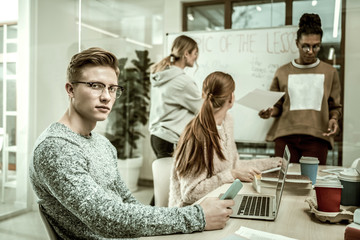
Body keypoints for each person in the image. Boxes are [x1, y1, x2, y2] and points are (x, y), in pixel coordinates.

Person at [29, 47, 234, 240]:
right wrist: (197, 216)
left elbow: (127, 202)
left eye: (112, 88)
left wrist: (179, 223)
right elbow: (106, 218)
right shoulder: (56, 147)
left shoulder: (102, 144)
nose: (106, 97)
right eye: (95, 85)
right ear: (70, 89)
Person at [169, 71, 282, 207]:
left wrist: (272, 164)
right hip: (191, 213)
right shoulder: (197, 135)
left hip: (216, 202)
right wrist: (231, 175)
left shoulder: (227, 121)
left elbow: (234, 166)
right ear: (231, 98)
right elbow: (190, 193)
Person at [258, 13, 342, 165]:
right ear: (297, 43)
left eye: (315, 46)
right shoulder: (282, 72)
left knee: (311, 184)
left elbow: (334, 107)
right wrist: (269, 112)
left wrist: (333, 119)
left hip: (317, 138)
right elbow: (276, 106)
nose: (310, 51)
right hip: (285, 138)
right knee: (285, 183)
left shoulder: (330, 72)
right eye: (305, 46)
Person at [149, 35, 202, 159]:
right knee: (173, 178)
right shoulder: (183, 82)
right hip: (170, 138)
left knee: (163, 177)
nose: (196, 57)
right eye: (195, 53)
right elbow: (201, 110)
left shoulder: (161, 74)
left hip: (157, 137)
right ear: (186, 53)